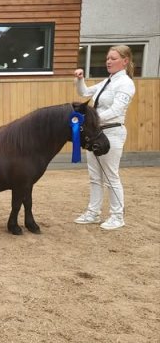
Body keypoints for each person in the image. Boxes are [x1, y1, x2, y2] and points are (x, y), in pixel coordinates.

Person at [73, 45, 136, 230]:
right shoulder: (107, 81)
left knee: (110, 176)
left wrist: (92, 119)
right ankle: (93, 212)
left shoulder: (125, 83)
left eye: (113, 58)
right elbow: (84, 92)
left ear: (125, 61)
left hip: (112, 132)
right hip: (97, 133)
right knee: (95, 176)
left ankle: (117, 216)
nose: (109, 61)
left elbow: (117, 109)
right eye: (108, 58)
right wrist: (79, 79)